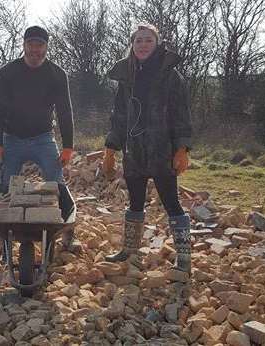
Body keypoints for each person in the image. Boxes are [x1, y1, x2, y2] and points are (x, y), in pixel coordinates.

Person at [102, 24, 192, 273]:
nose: (143, 44)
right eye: (138, 40)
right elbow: (119, 116)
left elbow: (181, 115)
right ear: (132, 45)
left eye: (148, 40)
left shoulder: (171, 76)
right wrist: (111, 149)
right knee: (135, 203)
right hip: (134, 152)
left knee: (171, 202)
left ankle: (184, 258)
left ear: (157, 44)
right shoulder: (126, 77)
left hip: (162, 150)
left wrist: (182, 149)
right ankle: (129, 251)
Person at [0, 25, 77, 254]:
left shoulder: (57, 74)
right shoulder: (8, 72)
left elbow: (65, 111)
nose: (35, 49)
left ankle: (66, 231)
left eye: (40, 45)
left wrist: (68, 146)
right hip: (12, 138)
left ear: (46, 47)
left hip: (43, 138)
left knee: (57, 183)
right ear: (24, 45)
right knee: (5, 185)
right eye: (31, 44)